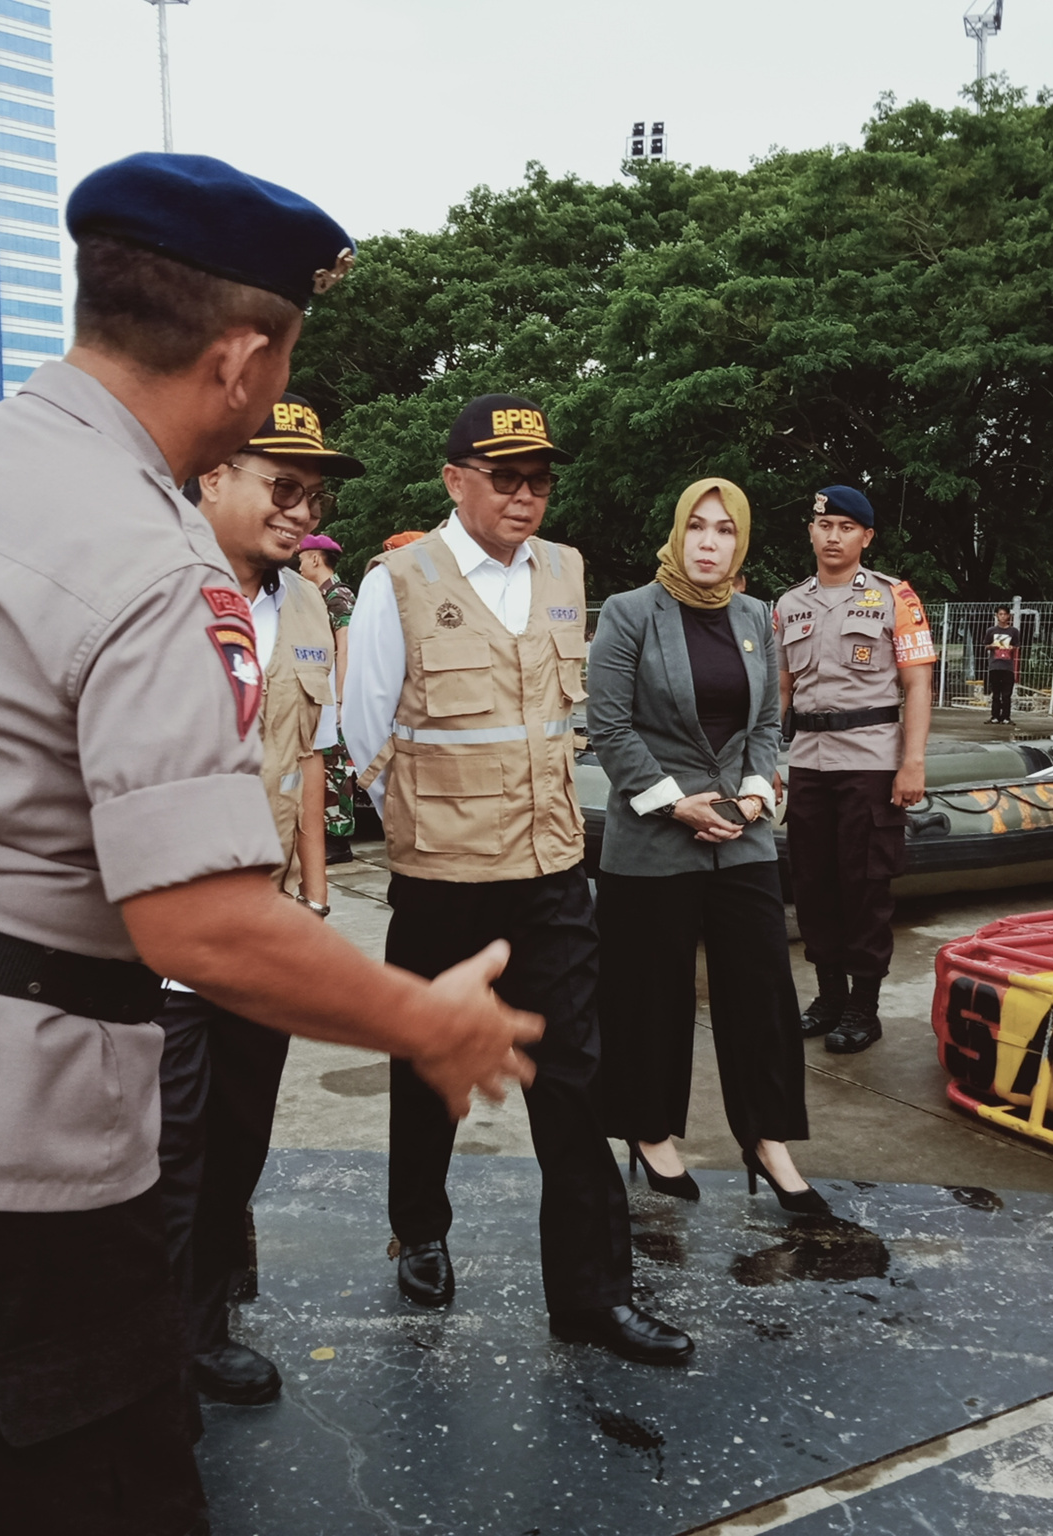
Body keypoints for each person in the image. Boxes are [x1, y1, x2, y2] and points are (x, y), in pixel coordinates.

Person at [0, 153, 540, 1536]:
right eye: (284, 364)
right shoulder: (157, 567)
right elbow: (197, 925)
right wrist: (425, 1022)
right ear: (242, 357)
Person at [343, 392, 692, 1365]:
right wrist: (423, 828)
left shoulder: (566, 572)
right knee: (426, 1072)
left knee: (576, 1081)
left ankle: (590, 1296)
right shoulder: (399, 581)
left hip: (548, 876)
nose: (525, 495)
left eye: (539, 478)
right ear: (455, 482)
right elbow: (364, 732)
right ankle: (419, 1227)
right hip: (441, 878)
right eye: (505, 477)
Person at [154, 391, 361, 1407]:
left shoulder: (310, 605)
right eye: (282, 486)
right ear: (211, 479)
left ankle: (200, 1312)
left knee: (237, 1130)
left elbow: (307, 761)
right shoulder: (152, 595)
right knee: (165, 1143)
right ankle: (158, 1350)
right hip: (159, 927)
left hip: (263, 918)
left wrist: (311, 895)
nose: (299, 510)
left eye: (310, 493)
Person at [586, 478, 821, 1213]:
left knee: (762, 993)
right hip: (656, 837)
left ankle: (767, 1140)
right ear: (677, 534)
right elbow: (610, 727)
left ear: (741, 541)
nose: (710, 542)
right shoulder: (630, 613)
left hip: (741, 836)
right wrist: (675, 803)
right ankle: (650, 1132)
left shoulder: (757, 616)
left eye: (724, 530)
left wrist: (755, 792)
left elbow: (764, 724)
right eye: (697, 527)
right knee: (650, 998)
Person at [775, 486, 936, 1054]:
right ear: (811, 532)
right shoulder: (789, 604)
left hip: (870, 762)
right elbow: (784, 693)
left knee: (865, 887)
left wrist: (911, 762)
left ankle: (864, 1007)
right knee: (813, 886)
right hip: (808, 765)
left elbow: (917, 685)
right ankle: (828, 996)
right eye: (825, 526)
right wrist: (774, 762)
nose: (833, 536)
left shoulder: (897, 597)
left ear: (866, 537)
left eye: (847, 527)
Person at [297, 531, 359, 862]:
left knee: (337, 766)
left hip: (336, 693)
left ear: (316, 559)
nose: (299, 563)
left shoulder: (338, 595)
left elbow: (346, 644)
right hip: (324, 690)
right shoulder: (317, 596)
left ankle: (339, 838)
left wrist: (340, 698)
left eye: (302, 557)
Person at [983, 606, 1021, 724]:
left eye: (1005, 614)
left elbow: (1016, 646)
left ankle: (1006, 717)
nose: (1003, 616)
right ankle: (994, 716)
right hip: (995, 665)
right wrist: (992, 646)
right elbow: (986, 645)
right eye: (1000, 614)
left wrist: (1011, 648)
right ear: (996, 615)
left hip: (1007, 666)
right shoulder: (991, 631)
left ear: (1009, 615)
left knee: (1006, 694)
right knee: (995, 693)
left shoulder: (1013, 631)